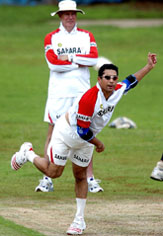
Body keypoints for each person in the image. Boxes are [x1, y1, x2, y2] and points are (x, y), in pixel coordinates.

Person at [11, 52, 157, 235]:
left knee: (80, 176)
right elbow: (82, 130)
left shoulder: (117, 90)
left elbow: (131, 81)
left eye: (114, 78)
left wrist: (148, 67)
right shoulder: (90, 98)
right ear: (99, 79)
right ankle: (27, 153)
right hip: (66, 134)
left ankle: (79, 220)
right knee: (53, 172)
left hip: (86, 141)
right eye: (107, 78)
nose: (111, 81)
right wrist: (99, 143)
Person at [35, 0, 104, 193]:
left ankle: (90, 179)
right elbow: (53, 64)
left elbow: (94, 59)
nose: (70, 17)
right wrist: (80, 61)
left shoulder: (86, 36)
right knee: (53, 133)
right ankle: (47, 177)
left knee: (86, 134)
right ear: (59, 15)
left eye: (73, 13)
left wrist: (71, 58)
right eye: (66, 14)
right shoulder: (51, 37)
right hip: (58, 94)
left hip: (82, 94)